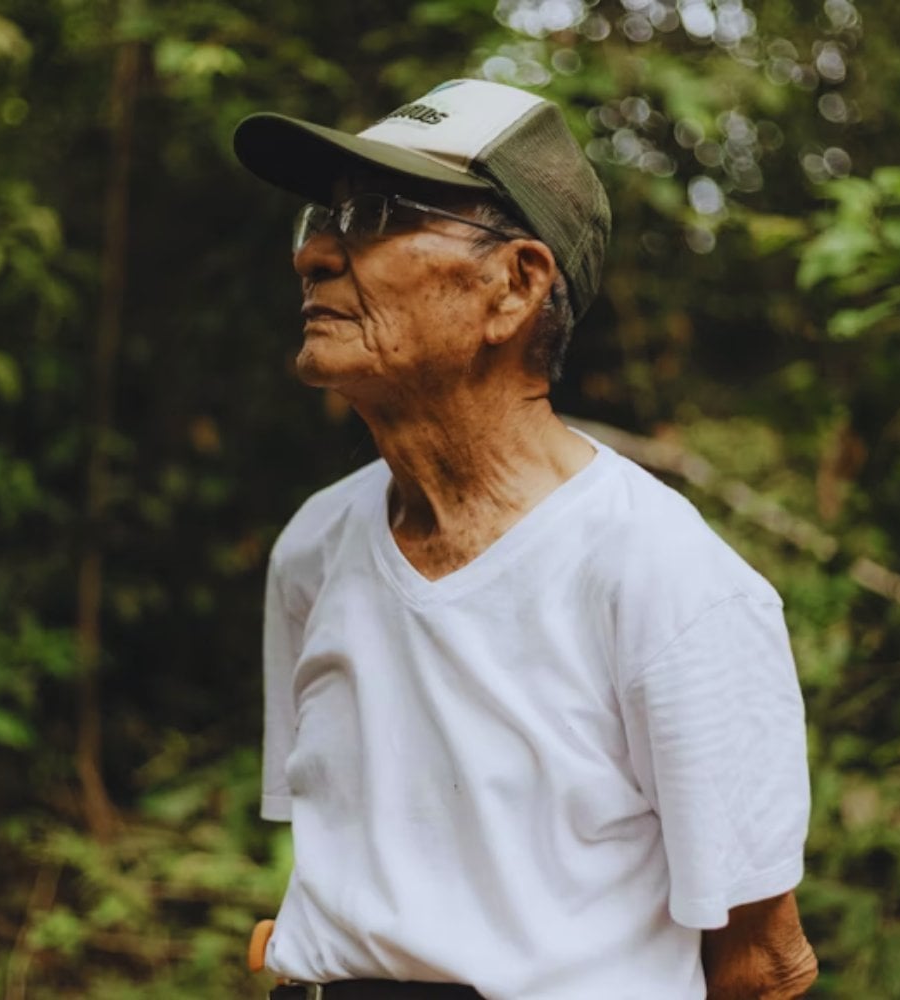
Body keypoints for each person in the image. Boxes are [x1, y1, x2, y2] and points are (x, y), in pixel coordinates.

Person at [233, 78, 816, 1000]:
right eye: (322, 216)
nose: (313, 254)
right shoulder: (315, 546)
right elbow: (353, 868)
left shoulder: (668, 578)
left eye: (377, 213)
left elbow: (765, 963)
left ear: (516, 284)